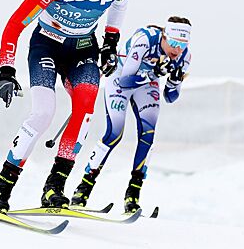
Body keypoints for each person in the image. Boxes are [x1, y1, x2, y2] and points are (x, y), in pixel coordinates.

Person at [0, 0, 130, 213]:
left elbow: (119, 5)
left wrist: (111, 43)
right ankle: (1, 186)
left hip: (83, 49)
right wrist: (6, 70)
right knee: (43, 113)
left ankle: (55, 187)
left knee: (86, 111)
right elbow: (16, 23)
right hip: (47, 45)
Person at [70, 16, 192, 213]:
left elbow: (170, 97)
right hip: (120, 79)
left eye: (182, 44)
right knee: (114, 134)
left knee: (148, 136)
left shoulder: (184, 56)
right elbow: (126, 79)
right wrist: (156, 70)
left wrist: (175, 82)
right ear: (164, 36)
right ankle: (83, 189)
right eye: (174, 43)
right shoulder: (144, 39)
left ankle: (133, 195)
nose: (177, 50)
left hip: (146, 84)